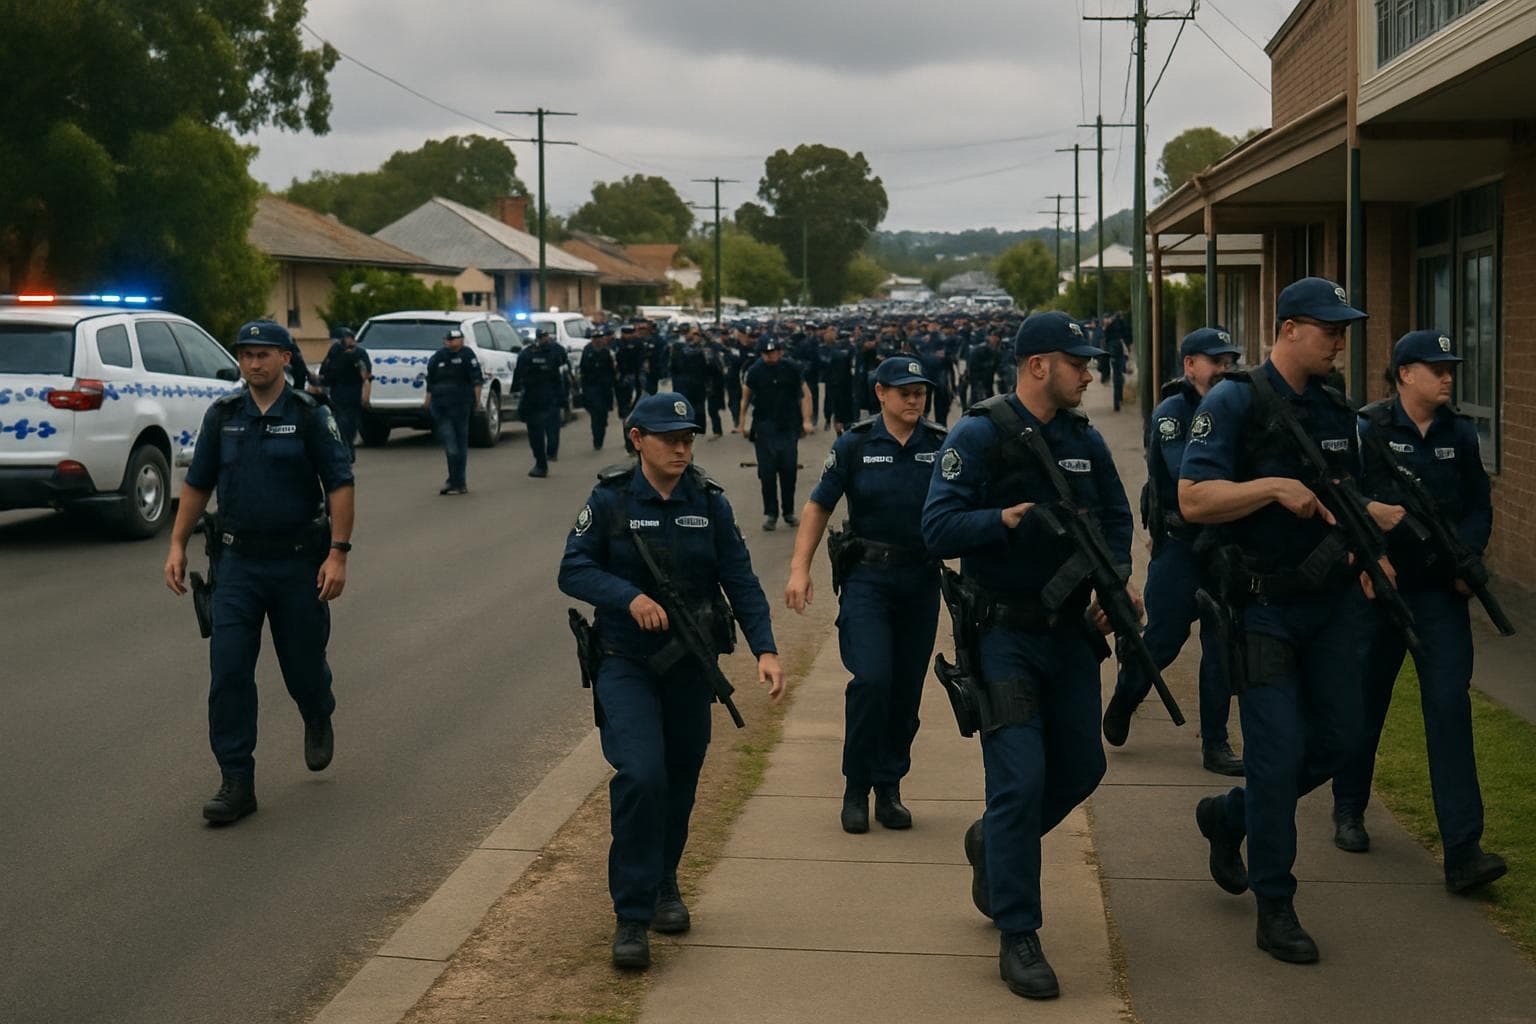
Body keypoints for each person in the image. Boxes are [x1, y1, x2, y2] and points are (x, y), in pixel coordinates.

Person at [1179, 277, 1396, 964]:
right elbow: (1193, 498)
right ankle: (1276, 903)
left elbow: (1345, 497)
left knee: (1340, 741)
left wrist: (1371, 552)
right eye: (1329, 328)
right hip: (1262, 607)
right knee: (1274, 755)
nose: (1340, 340)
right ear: (1291, 328)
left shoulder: (1338, 411)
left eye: (1343, 329)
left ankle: (1230, 816)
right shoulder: (1234, 399)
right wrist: (1271, 487)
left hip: (1331, 607)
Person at [922, 311, 1133, 1000]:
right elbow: (936, 525)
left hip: (1070, 632)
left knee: (1081, 766)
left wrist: (1114, 578)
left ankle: (993, 842)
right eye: (1078, 363)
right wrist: (1003, 519)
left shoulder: (1083, 439)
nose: (1090, 373)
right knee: (1019, 778)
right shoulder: (979, 434)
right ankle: (1019, 933)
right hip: (1003, 634)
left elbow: (1116, 518)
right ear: (1039, 365)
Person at [558, 392, 784, 970]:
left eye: (688, 437)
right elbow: (574, 568)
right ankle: (631, 917)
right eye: (670, 438)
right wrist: (628, 597)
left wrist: (765, 648)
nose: (683, 447)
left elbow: (740, 576)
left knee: (680, 778)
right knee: (642, 774)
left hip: (689, 664)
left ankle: (664, 884)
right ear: (638, 439)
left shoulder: (709, 502)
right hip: (625, 660)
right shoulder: (609, 500)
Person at [1329, 330, 1506, 893]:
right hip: (1377, 594)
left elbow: (1479, 504)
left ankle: (1463, 850)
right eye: (1437, 368)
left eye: (1450, 367)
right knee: (1363, 703)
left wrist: (1468, 557)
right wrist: (1369, 555)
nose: (1449, 376)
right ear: (1405, 373)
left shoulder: (1461, 433)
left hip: (1439, 597)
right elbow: (1343, 496)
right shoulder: (1366, 428)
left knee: (1449, 710)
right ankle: (1349, 807)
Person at [162, 320, 354, 823]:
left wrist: (338, 553)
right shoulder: (223, 415)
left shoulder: (311, 414)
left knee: (303, 665)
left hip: (297, 564)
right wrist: (177, 543)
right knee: (228, 671)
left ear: (285, 358)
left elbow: (339, 483)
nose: (253, 362)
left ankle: (317, 711)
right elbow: (199, 483)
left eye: (264, 353)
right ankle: (236, 781)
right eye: (246, 354)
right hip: (237, 564)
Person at [786, 357, 946, 833]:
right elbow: (819, 505)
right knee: (872, 681)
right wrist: (800, 568)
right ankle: (856, 787)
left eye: (920, 391)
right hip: (868, 581)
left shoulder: (941, 445)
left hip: (921, 581)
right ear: (881, 394)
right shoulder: (854, 444)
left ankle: (889, 786)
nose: (914, 399)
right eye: (904, 391)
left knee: (905, 692)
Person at [1102, 327, 1244, 776]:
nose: (1224, 369)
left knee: (1221, 643)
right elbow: (1188, 471)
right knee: (1162, 642)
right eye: (1214, 361)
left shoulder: (1240, 406)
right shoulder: (1171, 412)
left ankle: (1216, 742)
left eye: (1228, 361)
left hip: (1224, 545)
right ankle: (1126, 696)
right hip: (1181, 546)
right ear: (1189, 365)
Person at [740, 337, 814, 531]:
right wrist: (742, 423)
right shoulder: (755, 371)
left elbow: (805, 395)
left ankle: (788, 512)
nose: (770, 356)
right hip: (764, 428)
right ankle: (771, 514)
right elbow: (746, 398)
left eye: (773, 352)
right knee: (767, 473)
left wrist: (806, 420)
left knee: (789, 471)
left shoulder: (792, 368)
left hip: (788, 427)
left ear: (780, 351)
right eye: (766, 353)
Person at [424, 327, 482, 495]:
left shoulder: (467, 355)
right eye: (452, 339)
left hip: (461, 406)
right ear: (446, 341)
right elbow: (430, 381)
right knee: (451, 445)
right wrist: (427, 402)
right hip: (442, 407)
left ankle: (459, 482)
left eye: (459, 339)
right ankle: (453, 480)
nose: (456, 342)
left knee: (460, 445)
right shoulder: (438, 357)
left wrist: (477, 402)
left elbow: (476, 380)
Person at [514, 324, 565, 478]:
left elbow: (518, 377)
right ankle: (546, 458)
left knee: (539, 433)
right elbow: (560, 377)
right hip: (543, 398)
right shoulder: (551, 354)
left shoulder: (527, 355)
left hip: (537, 399)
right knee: (545, 430)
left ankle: (543, 462)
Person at [318, 326, 371, 462]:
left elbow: (366, 374)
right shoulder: (336, 352)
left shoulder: (357, 353)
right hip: (338, 393)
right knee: (342, 425)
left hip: (351, 393)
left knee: (347, 424)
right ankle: (346, 451)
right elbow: (325, 371)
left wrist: (366, 392)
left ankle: (347, 451)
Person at [581, 327, 618, 451]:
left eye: (599, 338)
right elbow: (583, 370)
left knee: (602, 415)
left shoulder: (607, 352)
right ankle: (597, 440)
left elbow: (612, 370)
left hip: (605, 388)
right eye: (595, 338)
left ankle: (600, 434)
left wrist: (612, 384)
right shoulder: (587, 351)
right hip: (591, 387)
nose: (597, 341)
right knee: (595, 414)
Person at [669, 328, 710, 432]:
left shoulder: (703, 348)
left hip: (698, 382)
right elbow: (674, 366)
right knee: (684, 406)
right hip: (684, 383)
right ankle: (686, 426)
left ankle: (697, 427)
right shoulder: (679, 347)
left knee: (698, 407)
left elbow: (706, 366)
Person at [614, 324, 647, 419]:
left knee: (636, 401)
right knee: (623, 403)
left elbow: (642, 360)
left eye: (630, 333)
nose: (628, 336)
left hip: (635, 376)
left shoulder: (638, 343)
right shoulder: (617, 344)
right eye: (625, 333)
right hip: (622, 377)